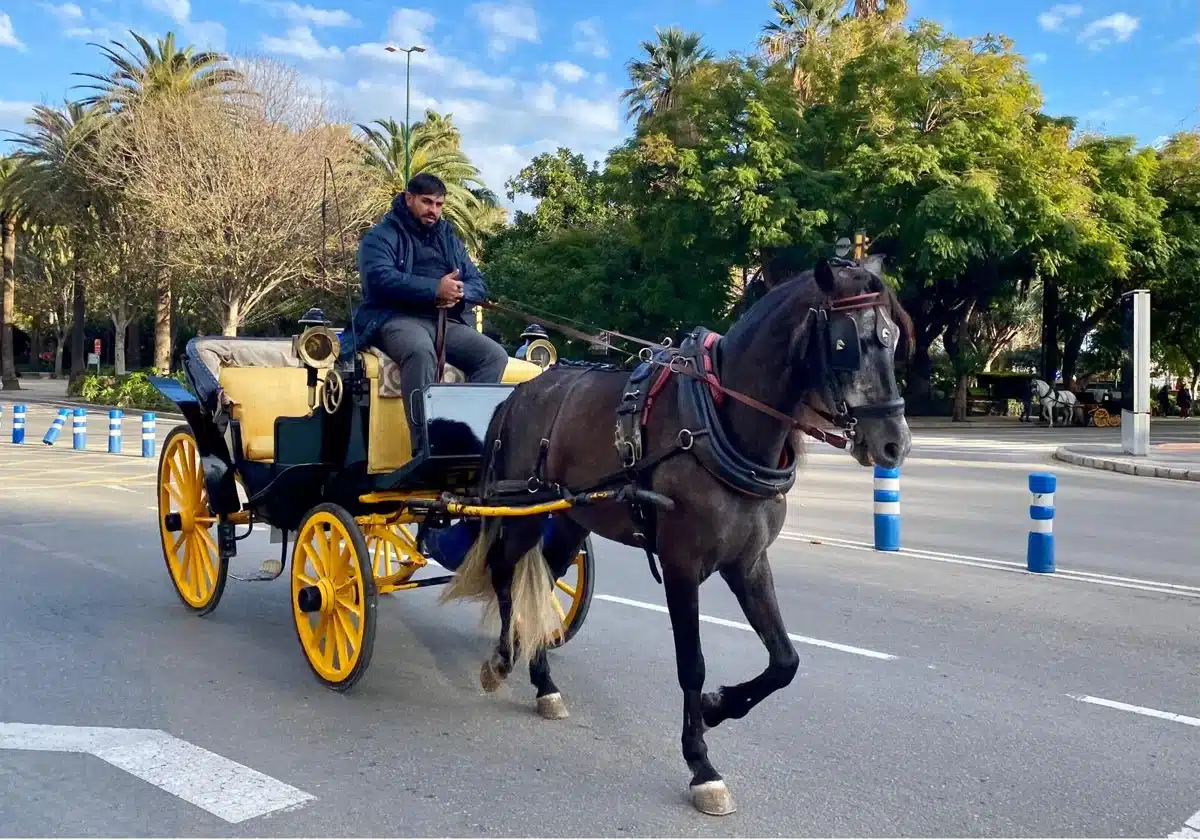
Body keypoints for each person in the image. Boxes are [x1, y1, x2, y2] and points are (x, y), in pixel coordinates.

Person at [343, 173, 509, 415]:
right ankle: (424, 436)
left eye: (439, 204)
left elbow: (477, 283)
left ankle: (467, 429)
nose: (434, 210)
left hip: (446, 321)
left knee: (494, 356)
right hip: (395, 318)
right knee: (420, 352)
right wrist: (434, 289)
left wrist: (457, 291)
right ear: (409, 198)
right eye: (427, 202)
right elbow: (379, 278)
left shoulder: (450, 240)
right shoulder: (380, 236)